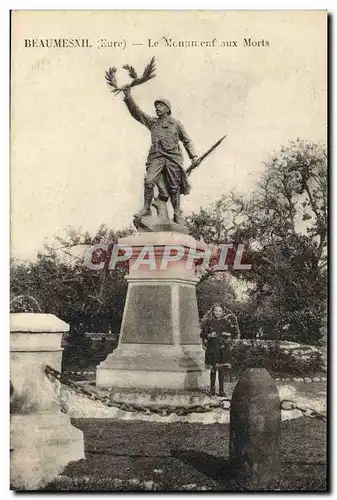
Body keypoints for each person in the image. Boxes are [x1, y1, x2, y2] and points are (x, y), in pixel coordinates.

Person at [123, 86, 199, 224]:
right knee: (148, 181)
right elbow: (137, 112)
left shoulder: (176, 124)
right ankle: (146, 208)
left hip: (173, 158)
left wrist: (193, 156)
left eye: (160, 106)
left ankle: (177, 214)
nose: (157, 108)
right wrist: (128, 96)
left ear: (167, 109)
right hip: (157, 157)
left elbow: (187, 140)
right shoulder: (153, 123)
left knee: (174, 187)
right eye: (156, 106)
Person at [200, 303, 240, 396]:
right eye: (216, 311)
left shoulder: (226, 322)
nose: (217, 313)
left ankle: (221, 390)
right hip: (213, 348)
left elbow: (234, 332)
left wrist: (227, 334)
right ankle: (212, 390)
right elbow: (202, 334)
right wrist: (210, 335)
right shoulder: (209, 322)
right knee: (213, 369)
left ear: (223, 312)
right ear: (212, 311)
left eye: (220, 311)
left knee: (221, 369)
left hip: (223, 348)